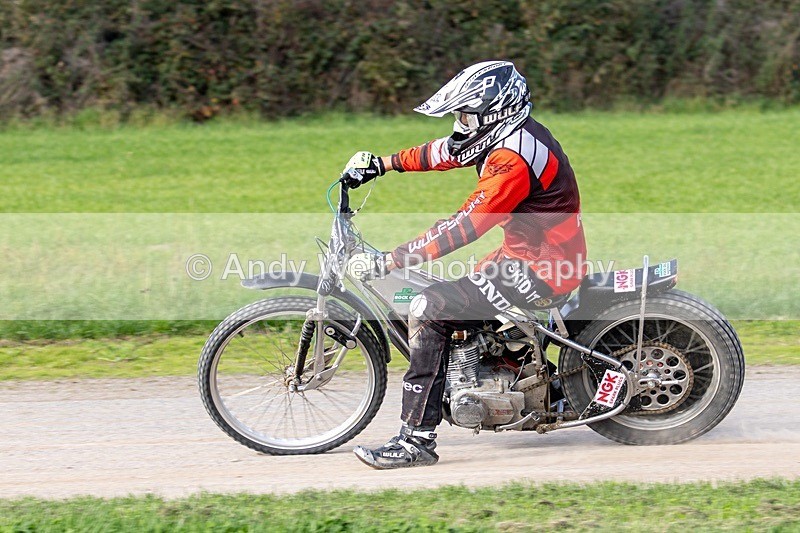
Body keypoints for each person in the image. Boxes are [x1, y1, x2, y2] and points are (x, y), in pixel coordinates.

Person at [341, 60, 587, 469]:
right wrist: (382, 164)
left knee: (430, 307)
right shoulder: (510, 134)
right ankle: (506, 377)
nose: (461, 124)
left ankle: (416, 441)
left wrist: (390, 259)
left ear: (495, 112)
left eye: (467, 115)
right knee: (447, 304)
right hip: (527, 256)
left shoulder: (512, 159)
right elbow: (448, 150)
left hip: (543, 268)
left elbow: (463, 227)